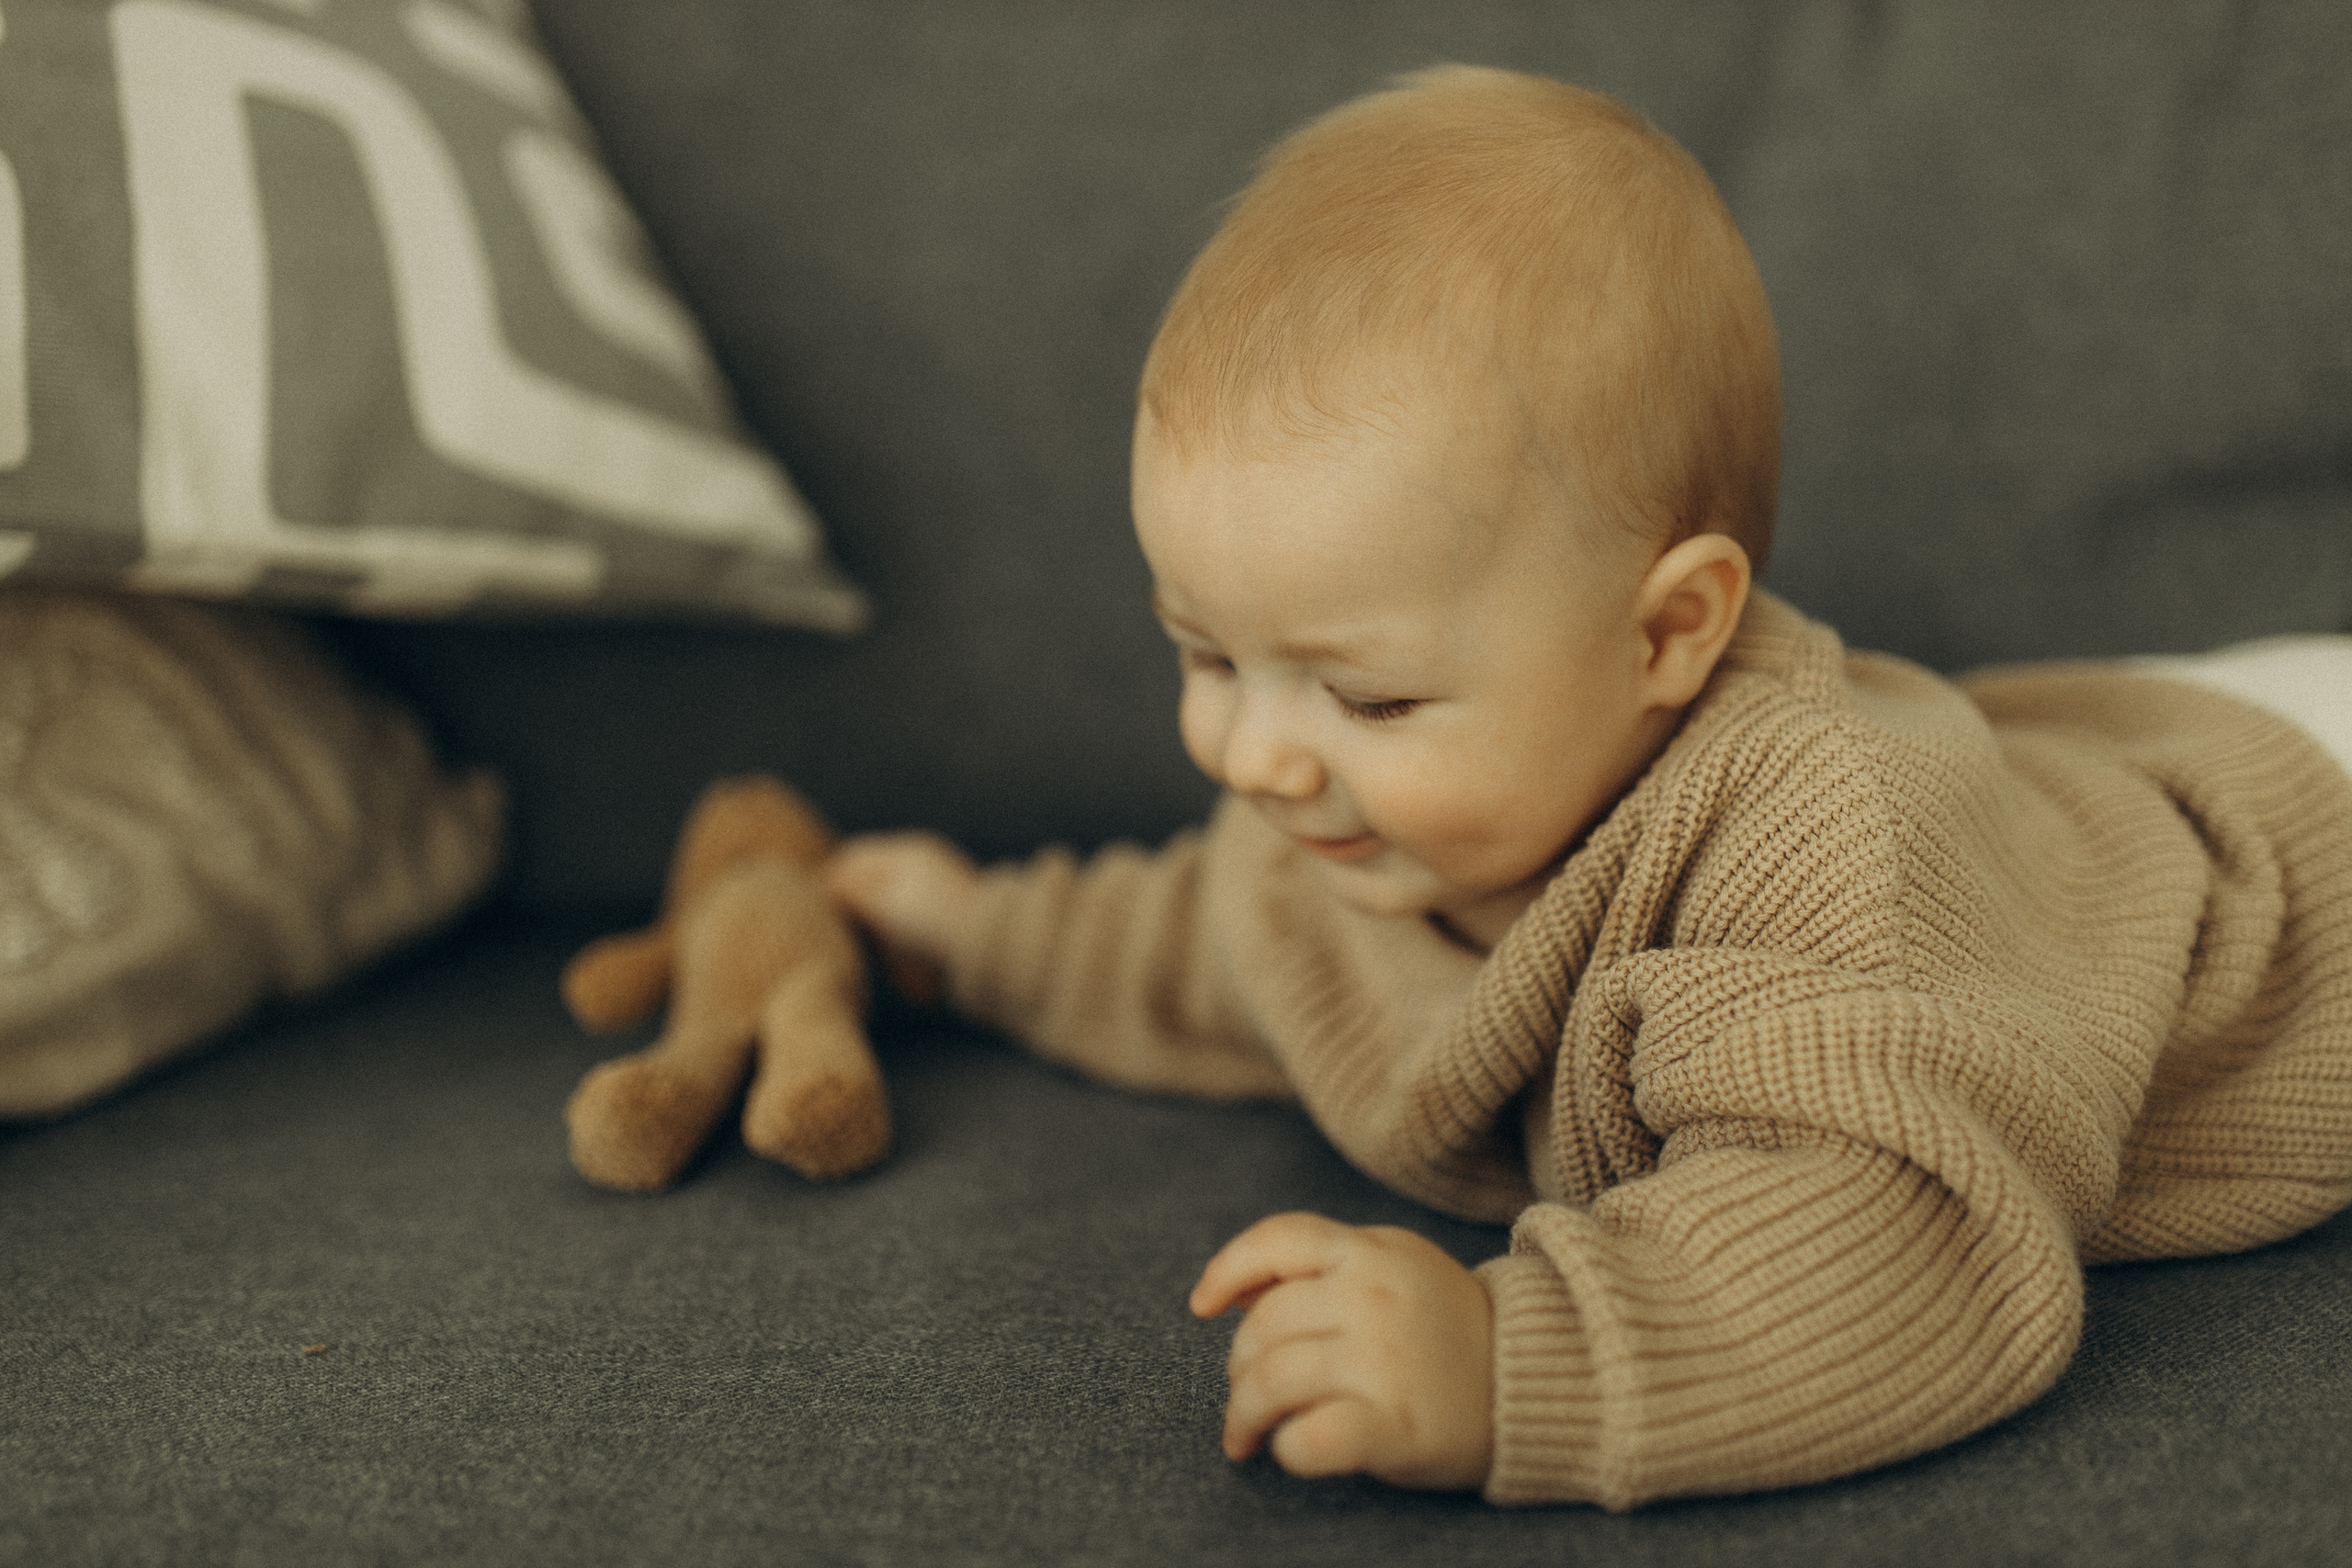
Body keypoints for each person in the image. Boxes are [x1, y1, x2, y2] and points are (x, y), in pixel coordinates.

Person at [825, 64, 2352, 1508]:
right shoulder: (1361, 825)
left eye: (1367, 694)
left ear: (1669, 632)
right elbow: (1209, 942)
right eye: (1205, 657)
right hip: (2104, 759)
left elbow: (1897, 1233)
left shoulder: (1827, 842)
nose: (1256, 756)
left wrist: (1517, 1360)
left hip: (2301, 858)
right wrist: (965, 935)